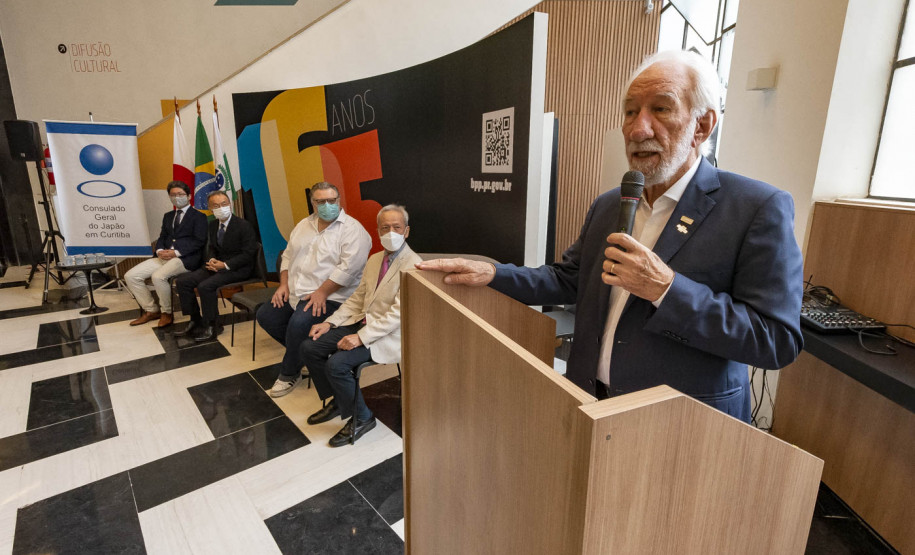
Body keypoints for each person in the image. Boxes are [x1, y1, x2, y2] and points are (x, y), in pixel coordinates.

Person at [416, 50, 804, 422]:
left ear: (702, 125)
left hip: (683, 425)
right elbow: (570, 279)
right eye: (631, 111)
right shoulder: (611, 204)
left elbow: (775, 340)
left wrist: (666, 288)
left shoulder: (755, 207)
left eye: (661, 109)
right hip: (587, 398)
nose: (638, 128)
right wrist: (494, 274)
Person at [301, 204, 422, 446]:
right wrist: (329, 322)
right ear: (377, 231)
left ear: (406, 231)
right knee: (309, 347)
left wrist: (362, 337)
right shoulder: (375, 259)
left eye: (396, 227)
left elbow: (398, 314)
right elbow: (357, 298)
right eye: (385, 227)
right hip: (362, 323)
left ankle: (363, 418)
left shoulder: (414, 266)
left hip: (387, 334)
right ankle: (339, 399)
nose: (391, 232)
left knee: (337, 364)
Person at [258, 182, 372, 397]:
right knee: (266, 315)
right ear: (312, 203)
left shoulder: (353, 230)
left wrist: (322, 292)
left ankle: (289, 373)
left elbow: (349, 270)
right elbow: (288, 257)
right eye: (321, 201)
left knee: (299, 323)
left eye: (332, 200)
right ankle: (303, 355)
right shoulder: (303, 225)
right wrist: (283, 284)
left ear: (339, 201)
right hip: (295, 292)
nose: (327, 205)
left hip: (333, 296)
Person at [174, 190, 258, 342]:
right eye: (216, 205)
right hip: (217, 266)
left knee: (205, 286)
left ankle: (213, 325)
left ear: (230, 205)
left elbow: (248, 254)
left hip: (239, 268)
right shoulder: (212, 225)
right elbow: (212, 247)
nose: (221, 207)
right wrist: (212, 260)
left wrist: (225, 265)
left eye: (224, 204)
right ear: (210, 209)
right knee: (183, 281)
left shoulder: (243, 226)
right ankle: (195, 320)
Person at [126, 181, 207, 327]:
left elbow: (199, 241)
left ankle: (166, 313)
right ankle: (151, 310)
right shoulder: (168, 216)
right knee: (131, 276)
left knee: (158, 277)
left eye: (180, 194)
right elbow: (162, 236)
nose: (177, 197)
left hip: (185, 258)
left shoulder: (199, 216)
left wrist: (175, 252)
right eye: (173, 195)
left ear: (189, 196)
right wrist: (159, 250)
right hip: (163, 256)